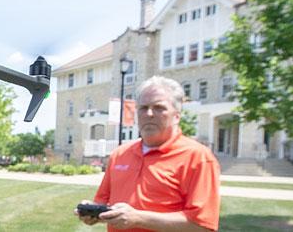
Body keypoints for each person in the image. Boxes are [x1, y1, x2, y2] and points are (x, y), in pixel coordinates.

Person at [76, 76, 220, 232]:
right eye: (143, 108)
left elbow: (202, 226)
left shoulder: (198, 158)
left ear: (177, 116)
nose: (149, 113)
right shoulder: (120, 154)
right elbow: (102, 201)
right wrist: (93, 212)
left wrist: (138, 218)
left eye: (159, 107)